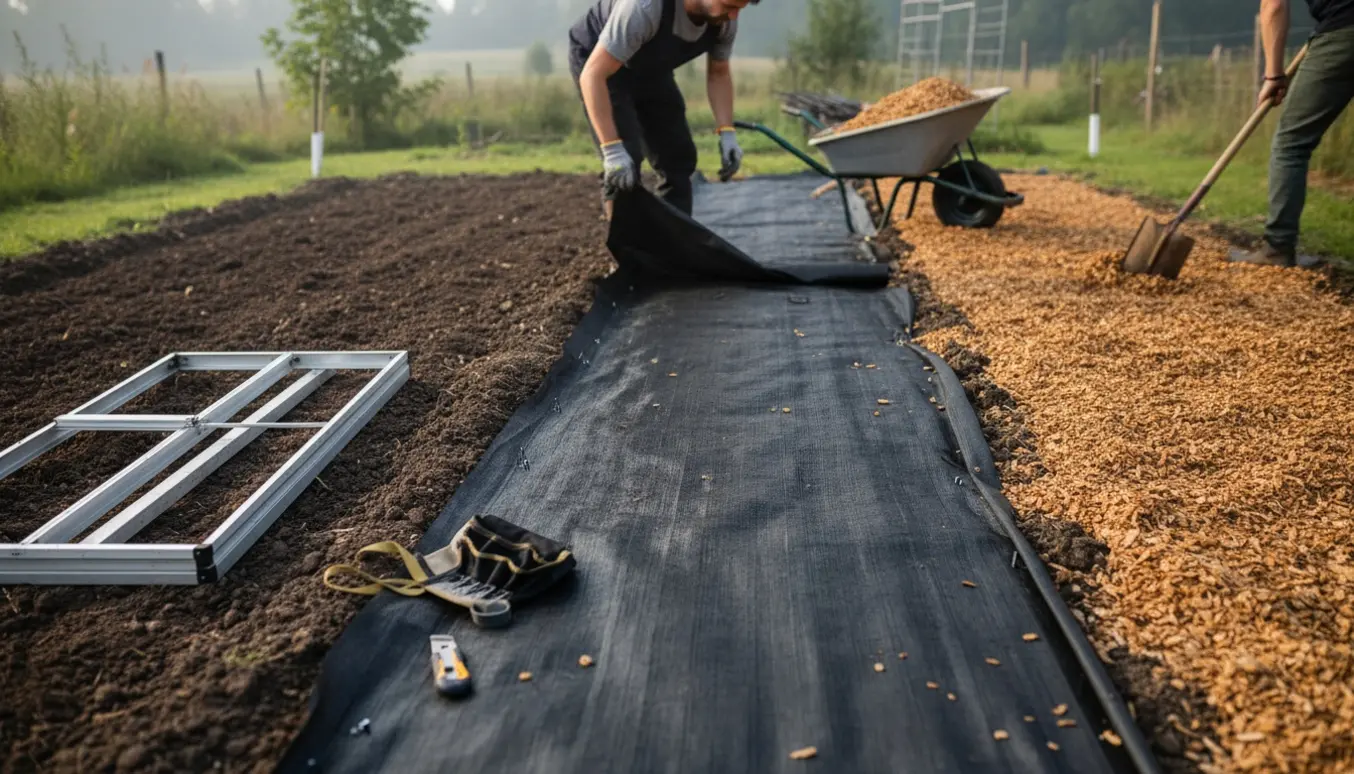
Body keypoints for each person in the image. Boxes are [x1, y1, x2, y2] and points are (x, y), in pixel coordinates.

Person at [568, 0, 758, 216]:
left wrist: (727, 132)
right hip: (600, 65)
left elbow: (719, 73)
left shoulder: (724, 23)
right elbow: (593, 75)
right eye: (729, 6)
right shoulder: (645, 7)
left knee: (678, 156)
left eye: (739, 9)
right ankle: (625, 236)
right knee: (624, 163)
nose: (733, 16)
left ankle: (673, 234)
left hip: (649, 65)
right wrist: (611, 150)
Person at [1230, 0, 1354, 267]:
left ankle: (1278, 246)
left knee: (1292, 143)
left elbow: (1273, 6)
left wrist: (1273, 75)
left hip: (1344, 29)